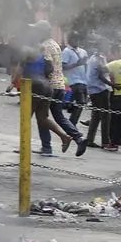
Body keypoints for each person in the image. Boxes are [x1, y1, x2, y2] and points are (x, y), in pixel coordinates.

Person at [34, 21, 85, 149]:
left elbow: (49, 67)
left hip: (49, 86)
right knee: (58, 116)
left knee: (42, 117)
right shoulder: (55, 44)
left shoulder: (44, 45)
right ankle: (78, 137)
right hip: (60, 85)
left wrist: (40, 77)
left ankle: (46, 147)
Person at [18, 43, 74, 156]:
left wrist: (12, 85)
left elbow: (19, 72)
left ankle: (24, 146)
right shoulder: (45, 59)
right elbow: (49, 72)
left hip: (34, 85)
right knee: (43, 118)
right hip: (47, 87)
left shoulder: (27, 58)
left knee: (26, 117)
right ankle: (64, 136)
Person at [84, 42, 115, 150]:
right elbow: (101, 75)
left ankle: (89, 139)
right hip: (100, 89)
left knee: (96, 114)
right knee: (106, 115)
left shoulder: (93, 57)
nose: (108, 48)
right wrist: (113, 85)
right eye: (107, 46)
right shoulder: (98, 59)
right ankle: (105, 142)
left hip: (93, 88)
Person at [61, 34, 89, 127]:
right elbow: (63, 66)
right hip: (74, 81)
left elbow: (86, 66)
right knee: (80, 103)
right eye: (74, 39)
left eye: (78, 39)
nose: (77, 41)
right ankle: (72, 125)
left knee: (81, 104)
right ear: (69, 40)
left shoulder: (83, 51)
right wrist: (76, 64)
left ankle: (71, 114)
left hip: (84, 80)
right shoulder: (66, 51)